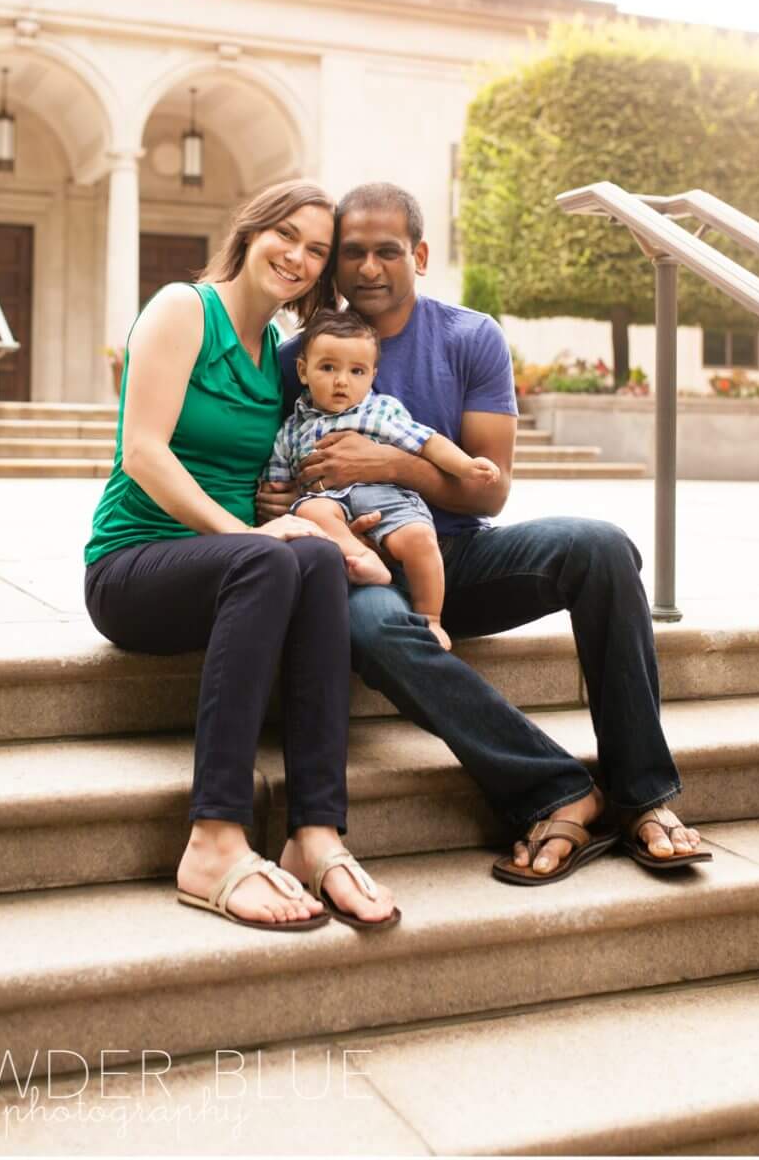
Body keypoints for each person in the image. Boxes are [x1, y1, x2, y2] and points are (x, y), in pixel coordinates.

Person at [256, 182, 709, 884]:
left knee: (602, 548)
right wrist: (282, 499)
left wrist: (392, 462)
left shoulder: (470, 337)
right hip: (359, 566)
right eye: (353, 253)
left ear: (421, 254)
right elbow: (275, 482)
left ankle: (644, 793)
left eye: (388, 251)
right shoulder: (297, 356)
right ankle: (557, 790)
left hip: (460, 553)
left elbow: (490, 485)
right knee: (374, 628)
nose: (369, 268)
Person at [84, 180, 400, 932]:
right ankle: (214, 841)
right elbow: (143, 453)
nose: (297, 256)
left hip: (228, 569)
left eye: (316, 251)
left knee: (317, 560)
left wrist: (313, 519)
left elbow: (274, 473)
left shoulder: (280, 356)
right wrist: (251, 535)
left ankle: (314, 834)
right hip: (136, 563)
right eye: (285, 235)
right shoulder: (181, 309)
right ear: (251, 229)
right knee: (271, 560)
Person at [269, 307, 500, 650]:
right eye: (328, 367)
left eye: (356, 371)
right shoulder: (292, 427)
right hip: (329, 505)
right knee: (311, 512)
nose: (341, 381)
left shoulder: (380, 411)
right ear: (303, 371)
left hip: (388, 501)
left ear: (372, 374)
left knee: (421, 539)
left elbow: (427, 441)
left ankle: (431, 618)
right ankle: (359, 559)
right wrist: (273, 498)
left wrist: (465, 466)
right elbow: (277, 479)